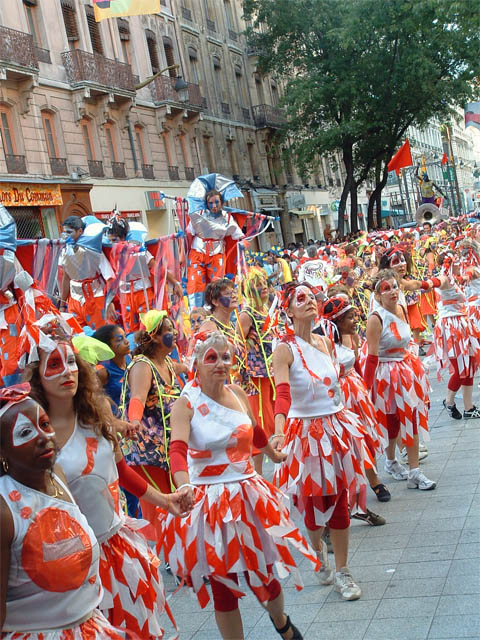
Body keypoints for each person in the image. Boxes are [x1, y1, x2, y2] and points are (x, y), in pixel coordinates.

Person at [25, 331, 191, 637]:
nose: (67, 371)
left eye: (72, 362)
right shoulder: (31, 434)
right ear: (36, 376)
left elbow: (122, 473)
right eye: (54, 364)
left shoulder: (96, 418)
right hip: (73, 564)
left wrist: (165, 500)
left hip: (118, 550)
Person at [162, 331, 320, 640]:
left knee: (264, 574)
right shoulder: (185, 403)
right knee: (223, 587)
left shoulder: (237, 392)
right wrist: (184, 486)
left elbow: (255, 429)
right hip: (209, 501)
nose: (220, 364)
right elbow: (177, 451)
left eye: (226, 357)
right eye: (211, 358)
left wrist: (274, 453)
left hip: (248, 493)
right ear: (195, 361)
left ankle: (281, 622)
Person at [272, 282, 374, 601]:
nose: (309, 303)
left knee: (340, 500)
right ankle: (317, 550)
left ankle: (343, 571)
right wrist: (278, 430)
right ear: (287, 311)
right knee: (314, 507)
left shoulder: (325, 342)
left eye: (311, 297)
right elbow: (283, 393)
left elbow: (337, 386)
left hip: (334, 429)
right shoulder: (284, 348)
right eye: (299, 299)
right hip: (304, 434)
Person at [0, 384, 125, 640]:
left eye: (44, 424)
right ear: (2, 452)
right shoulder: (4, 511)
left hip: (90, 627)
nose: (43, 436)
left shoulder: (57, 475)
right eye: (25, 432)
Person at [364, 270, 436, 490]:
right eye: (387, 288)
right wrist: (365, 390)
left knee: (410, 418)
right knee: (391, 422)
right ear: (377, 295)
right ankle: (391, 462)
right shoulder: (375, 319)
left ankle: (414, 471)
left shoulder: (403, 309)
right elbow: (372, 357)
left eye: (395, 286)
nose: (393, 291)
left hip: (405, 370)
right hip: (385, 374)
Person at [320, 296, 391, 509]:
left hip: (356, 391)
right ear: (338, 321)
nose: (355, 321)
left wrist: (366, 387)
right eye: (350, 318)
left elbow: (358, 365)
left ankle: (374, 480)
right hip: (339, 394)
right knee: (348, 441)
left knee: (365, 435)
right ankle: (352, 486)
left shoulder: (351, 338)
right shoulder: (324, 343)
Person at [236, 268, 276, 475]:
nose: (263, 288)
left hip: (272, 372)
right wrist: (242, 374)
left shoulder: (268, 309)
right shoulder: (246, 314)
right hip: (256, 375)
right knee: (260, 422)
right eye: (257, 285)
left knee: (275, 420)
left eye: (264, 284)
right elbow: (238, 344)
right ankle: (257, 472)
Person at [433, 252, 480, 419]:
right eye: (458, 261)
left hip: (462, 325)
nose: (461, 263)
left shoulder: (454, 277)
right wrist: (418, 284)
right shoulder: (445, 279)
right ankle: (449, 401)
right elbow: (435, 283)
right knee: (461, 367)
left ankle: (469, 407)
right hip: (451, 329)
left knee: (469, 365)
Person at [186, 189, 244, 307]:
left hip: (217, 254)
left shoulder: (227, 217)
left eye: (216, 202)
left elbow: (238, 236)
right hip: (198, 252)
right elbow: (188, 234)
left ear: (221, 202)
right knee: (196, 285)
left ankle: (218, 311)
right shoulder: (199, 214)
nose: (214, 206)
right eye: (210, 203)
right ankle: (197, 313)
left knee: (218, 285)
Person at [59, 216, 115, 329]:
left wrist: (109, 302)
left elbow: (110, 278)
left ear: (80, 231)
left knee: (101, 336)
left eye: (69, 232)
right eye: (64, 232)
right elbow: (66, 278)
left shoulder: (94, 251)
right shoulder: (64, 252)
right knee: (79, 338)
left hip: (95, 299)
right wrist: (62, 305)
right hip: (74, 301)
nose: (66, 236)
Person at [93, 323, 131, 411]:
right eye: (119, 339)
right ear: (106, 346)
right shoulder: (103, 371)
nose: (127, 341)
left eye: (125, 336)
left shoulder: (130, 358)